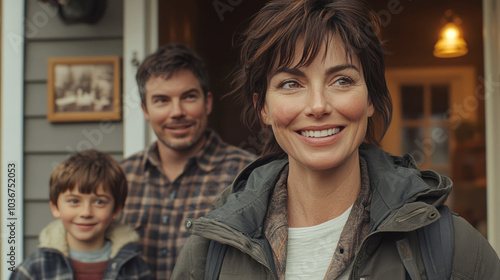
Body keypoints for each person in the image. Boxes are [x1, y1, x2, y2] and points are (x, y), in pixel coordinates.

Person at [172, 0, 500, 279]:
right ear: (263, 109)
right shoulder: (208, 253)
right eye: (291, 83)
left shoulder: (450, 246)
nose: (318, 105)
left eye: (342, 80)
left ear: (370, 99)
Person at [119, 43, 256, 279]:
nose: (177, 112)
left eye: (189, 97)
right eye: (161, 100)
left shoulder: (248, 175)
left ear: (208, 102)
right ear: (145, 110)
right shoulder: (120, 177)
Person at [10, 150, 151, 280]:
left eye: (99, 202)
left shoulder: (135, 268)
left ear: (116, 210)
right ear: (55, 208)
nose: (86, 213)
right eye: (74, 201)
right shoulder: (35, 269)